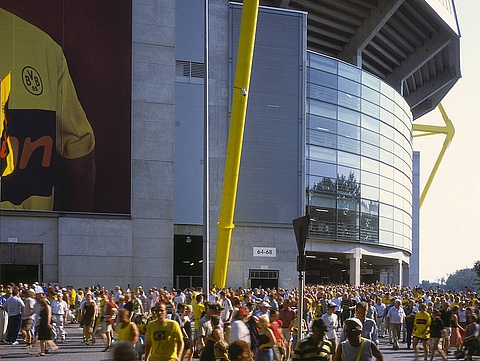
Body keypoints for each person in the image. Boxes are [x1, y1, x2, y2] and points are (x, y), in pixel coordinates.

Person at [0, 7, 95, 212]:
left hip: (30, 238)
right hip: (33, 239)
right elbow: (79, 145)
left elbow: (79, 145)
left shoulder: (44, 49)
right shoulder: (42, 47)